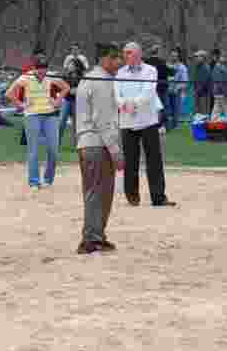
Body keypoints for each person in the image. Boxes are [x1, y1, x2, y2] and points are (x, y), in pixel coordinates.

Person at [75, 43, 125, 254]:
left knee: (100, 193)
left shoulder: (93, 79)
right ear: (104, 59)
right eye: (115, 58)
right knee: (97, 193)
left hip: (91, 144)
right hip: (97, 144)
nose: (119, 62)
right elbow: (103, 121)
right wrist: (115, 151)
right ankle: (90, 239)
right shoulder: (101, 82)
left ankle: (96, 236)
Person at [116, 42, 176, 207]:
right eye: (124, 53)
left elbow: (148, 92)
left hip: (148, 120)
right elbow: (116, 93)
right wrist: (123, 104)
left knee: (154, 159)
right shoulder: (120, 72)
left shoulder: (151, 70)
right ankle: (132, 196)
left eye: (129, 53)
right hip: (127, 122)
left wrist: (133, 104)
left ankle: (158, 197)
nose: (125, 56)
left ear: (138, 54)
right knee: (130, 160)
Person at [5, 55, 70, 190]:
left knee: (53, 150)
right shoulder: (25, 77)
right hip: (32, 115)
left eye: (44, 68)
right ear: (34, 68)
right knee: (33, 150)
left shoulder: (51, 76)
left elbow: (66, 88)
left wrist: (57, 101)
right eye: (39, 68)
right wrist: (21, 105)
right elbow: (9, 93)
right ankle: (34, 181)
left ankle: (48, 179)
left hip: (50, 115)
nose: (42, 71)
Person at [57, 54, 86, 147]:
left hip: (77, 102)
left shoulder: (82, 76)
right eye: (69, 64)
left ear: (76, 66)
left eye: (71, 64)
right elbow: (61, 86)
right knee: (61, 121)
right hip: (67, 100)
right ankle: (56, 142)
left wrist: (78, 90)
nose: (69, 66)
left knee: (76, 124)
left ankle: (77, 144)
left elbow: (85, 88)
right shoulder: (65, 75)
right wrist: (69, 89)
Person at [146, 44, 171, 129]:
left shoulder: (147, 62)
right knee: (162, 106)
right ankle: (162, 125)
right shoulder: (162, 62)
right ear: (158, 52)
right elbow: (170, 72)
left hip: (150, 88)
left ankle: (152, 124)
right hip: (161, 87)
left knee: (152, 106)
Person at [210, 50, 227, 119]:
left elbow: (217, 81)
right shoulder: (222, 68)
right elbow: (223, 81)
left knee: (216, 111)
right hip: (224, 93)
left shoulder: (217, 67)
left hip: (218, 92)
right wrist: (226, 93)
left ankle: (213, 123)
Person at [165, 49, 187, 130]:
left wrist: (177, 88)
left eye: (175, 56)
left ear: (178, 57)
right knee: (167, 108)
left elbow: (185, 81)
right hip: (167, 90)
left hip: (176, 91)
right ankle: (168, 124)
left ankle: (176, 125)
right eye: (172, 56)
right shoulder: (166, 65)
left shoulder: (182, 67)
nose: (173, 57)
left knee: (176, 108)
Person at [191, 51, 212, 116]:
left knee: (203, 113)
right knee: (197, 113)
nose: (196, 58)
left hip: (204, 94)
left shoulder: (206, 67)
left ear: (203, 57)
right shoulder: (197, 67)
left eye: (198, 57)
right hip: (198, 93)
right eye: (195, 57)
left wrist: (196, 91)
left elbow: (203, 83)